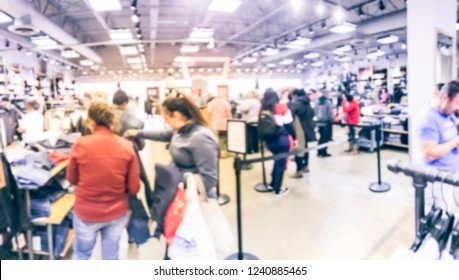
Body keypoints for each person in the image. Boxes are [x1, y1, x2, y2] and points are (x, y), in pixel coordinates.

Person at [66, 101, 140, 260]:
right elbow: (134, 188)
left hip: (86, 211)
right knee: (111, 255)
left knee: (82, 255)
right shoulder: (126, 146)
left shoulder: (80, 144)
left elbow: (71, 179)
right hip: (116, 212)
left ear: (91, 121)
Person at [125, 97, 219, 197]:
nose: (166, 122)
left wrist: (177, 181)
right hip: (181, 190)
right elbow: (163, 134)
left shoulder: (201, 137)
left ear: (176, 115)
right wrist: (137, 133)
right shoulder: (180, 130)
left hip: (194, 198)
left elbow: (209, 180)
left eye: (166, 118)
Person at [417, 80, 459, 214]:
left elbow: (452, 125)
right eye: (457, 103)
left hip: (450, 176)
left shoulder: (448, 113)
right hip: (437, 181)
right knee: (436, 219)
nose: (458, 108)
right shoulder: (427, 118)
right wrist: (457, 141)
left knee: (447, 213)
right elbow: (429, 153)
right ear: (445, 98)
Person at [261, 89, 296, 196]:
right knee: (282, 164)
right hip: (282, 139)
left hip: (268, 141)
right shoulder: (282, 107)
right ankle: (279, 188)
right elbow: (290, 125)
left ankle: (272, 183)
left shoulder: (262, 109)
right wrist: (295, 138)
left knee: (277, 161)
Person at [289, 89, 316, 178]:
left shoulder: (295, 103)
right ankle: (306, 166)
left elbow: (290, 116)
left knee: (298, 150)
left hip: (299, 129)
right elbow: (312, 114)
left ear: (295, 95)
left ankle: (299, 171)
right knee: (305, 148)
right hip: (308, 128)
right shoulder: (307, 103)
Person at [207, 91, 233, 158]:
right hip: (224, 124)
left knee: (215, 139)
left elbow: (209, 113)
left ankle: (216, 153)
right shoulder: (226, 103)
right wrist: (231, 122)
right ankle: (223, 153)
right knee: (223, 139)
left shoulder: (211, 103)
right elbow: (229, 115)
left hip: (213, 124)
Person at [315, 90, 334, 157]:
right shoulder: (328, 102)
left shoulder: (317, 101)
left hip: (319, 122)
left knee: (321, 137)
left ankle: (319, 151)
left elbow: (315, 111)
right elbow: (330, 113)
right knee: (326, 138)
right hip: (326, 122)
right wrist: (332, 120)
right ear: (326, 94)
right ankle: (324, 152)